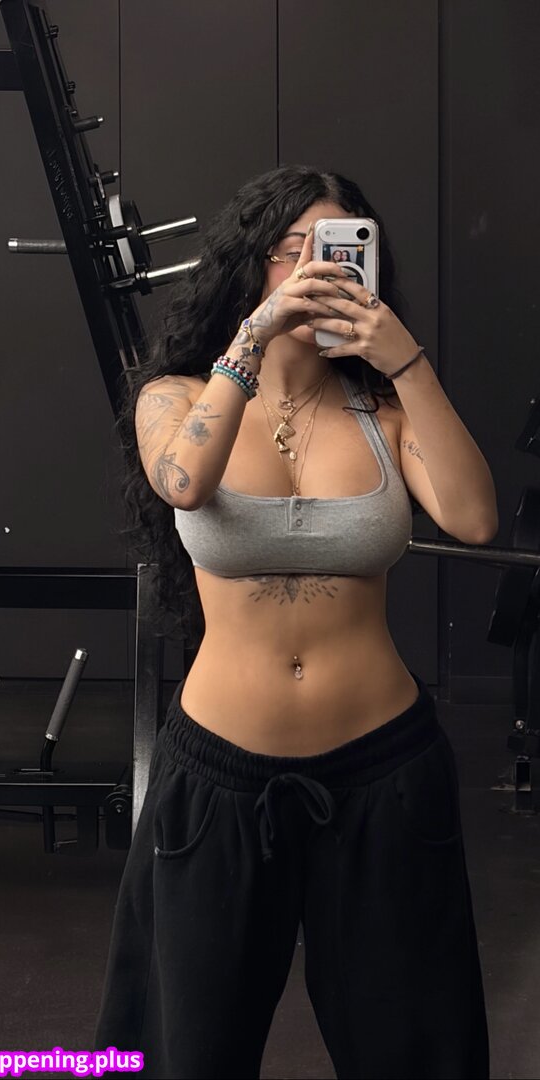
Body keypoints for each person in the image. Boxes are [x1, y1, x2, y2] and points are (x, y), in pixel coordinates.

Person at [94, 164, 496, 1079]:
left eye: (338, 250)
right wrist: (253, 337)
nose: (315, 270)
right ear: (248, 267)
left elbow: (473, 518)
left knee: (415, 1050)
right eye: (288, 252)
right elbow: (183, 483)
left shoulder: (384, 411)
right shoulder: (174, 397)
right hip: (218, 779)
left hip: (383, 775)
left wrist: (404, 360)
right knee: (185, 1050)